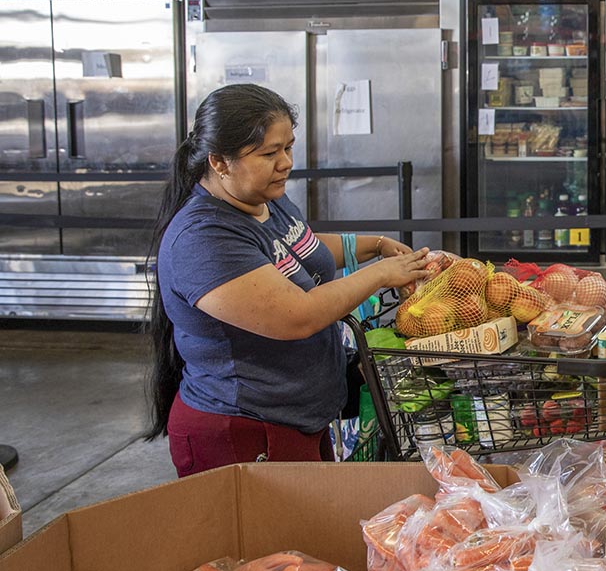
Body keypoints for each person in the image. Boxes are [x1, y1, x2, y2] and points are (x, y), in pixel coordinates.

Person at [145, 84, 432, 477]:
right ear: (219, 162)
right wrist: (381, 274)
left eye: (288, 147)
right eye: (268, 153)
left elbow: (302, 250)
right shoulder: (203, 239)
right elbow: (296, 316)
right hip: (244, 431)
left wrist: (376, 246)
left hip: (300, 416)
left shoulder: (265, 199)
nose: (285, 163)